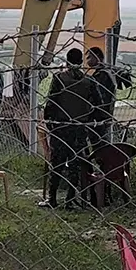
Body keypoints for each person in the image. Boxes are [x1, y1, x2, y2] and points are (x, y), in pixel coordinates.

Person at [40, 47, 96, 209]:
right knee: (75, 165)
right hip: (79, 127)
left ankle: (52, 198)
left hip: (61, 127)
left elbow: (51, 102)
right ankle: (69, 200)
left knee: (56, 163)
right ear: (81, 61)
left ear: (66, 61)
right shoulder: (88, 81)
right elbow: (95, 104)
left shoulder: (59, 78)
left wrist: (50, 123)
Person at [87, 46, 118, 145]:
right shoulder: (108, 72)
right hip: (106, 115)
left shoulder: (102, 75)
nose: (87, 61)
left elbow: (100, 97)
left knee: (100, 144)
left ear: (97, 57)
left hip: (100, 116)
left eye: (89, 57)